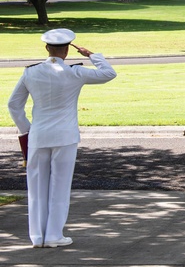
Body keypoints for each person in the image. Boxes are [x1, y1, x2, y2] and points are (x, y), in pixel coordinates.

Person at [7, 28, 117, 248]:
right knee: (60, 186)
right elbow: (109, 73)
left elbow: (13, 105)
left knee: (37, 188)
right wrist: (91, 55)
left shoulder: (31, 72)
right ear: (67, 50)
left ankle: (37, 237)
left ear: (47, 48)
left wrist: (27, 130)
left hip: (38, 136)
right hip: (65, 136)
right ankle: (54, 235)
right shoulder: (75, 73)